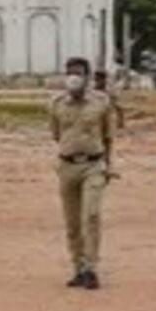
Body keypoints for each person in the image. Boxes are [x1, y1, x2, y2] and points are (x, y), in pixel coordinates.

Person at [51, 57, 114, 290]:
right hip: (67, 166)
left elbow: (108, 136)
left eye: (78, 73)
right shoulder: (56, 103)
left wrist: (108, 165)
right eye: (69, 73)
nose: (73, 78)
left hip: (93, 165)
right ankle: (77, 267)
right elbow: (56, 134)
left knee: (92, 215)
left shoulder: (101, 102)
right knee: (72, 222)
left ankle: (91, 268)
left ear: (87, 77)